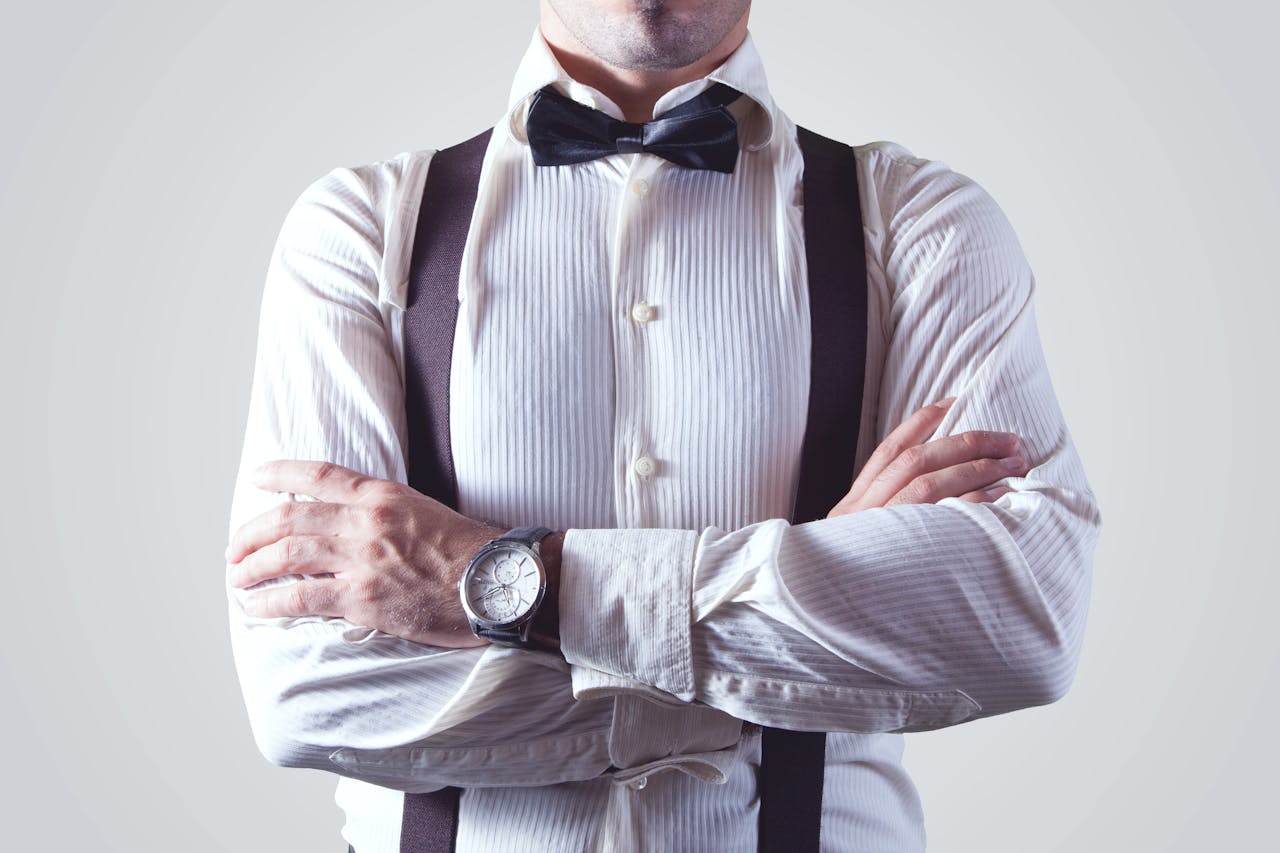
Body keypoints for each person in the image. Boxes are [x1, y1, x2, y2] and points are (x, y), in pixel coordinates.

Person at [223, 1, 1101, 850]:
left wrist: (497, 584)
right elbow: (310, 690)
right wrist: (813, 610)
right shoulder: (360, 232)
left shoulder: (921, 227)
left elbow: (1018, 621)